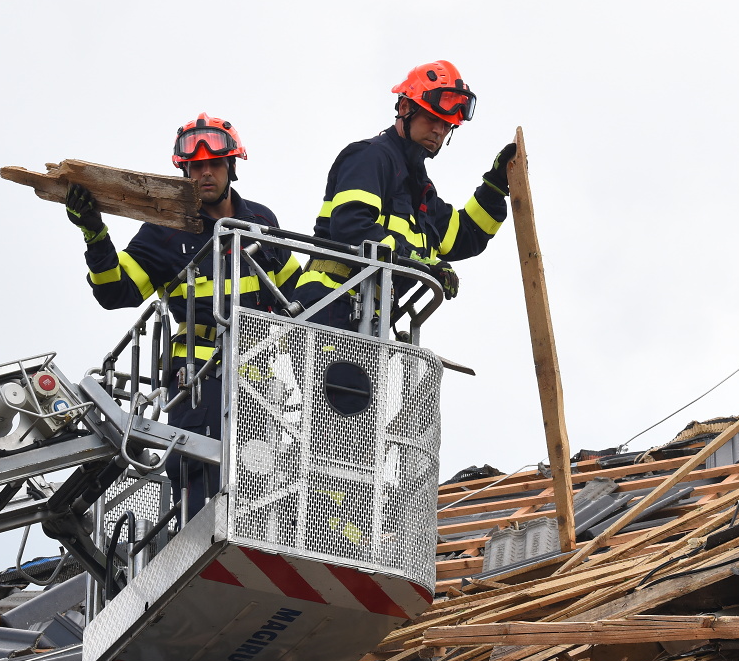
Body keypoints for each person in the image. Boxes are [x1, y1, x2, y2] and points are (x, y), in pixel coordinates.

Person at [64, 114, 299, 510]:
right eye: (196, 168)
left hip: (261, 374)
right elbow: (115, 291)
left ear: (231, 168)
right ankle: (198, 539)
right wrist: (94, 234)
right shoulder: (164, 231)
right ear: (184, 172)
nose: (205, 174)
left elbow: (294, 291)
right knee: (197, 468)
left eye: (214, 165)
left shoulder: (260, 221)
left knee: (263, 470)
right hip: (196, 376)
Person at [294, 60, 516, 329]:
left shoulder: (419, 187)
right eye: (433, 118)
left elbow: (465, 236)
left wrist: (495, 186)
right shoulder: (371, 156)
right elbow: (353, 226)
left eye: (447, 125)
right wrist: (420, 263)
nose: (439, 130)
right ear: (404, 108)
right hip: (327, 305)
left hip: (367, 319)